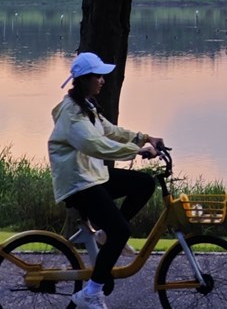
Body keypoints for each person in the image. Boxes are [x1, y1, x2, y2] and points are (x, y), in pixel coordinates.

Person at [48, 52, 164, 309]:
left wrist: (145, 137)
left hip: (92, 175)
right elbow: (96, 146)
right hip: (78, 183)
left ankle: (103, 235)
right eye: (98, 76)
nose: (103, 80)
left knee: (144, 184)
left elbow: (110, 131)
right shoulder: (72, 115)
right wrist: (137, 151)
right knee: (121, 231)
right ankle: (90, 293)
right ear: (84, 80)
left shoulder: (87, 106)